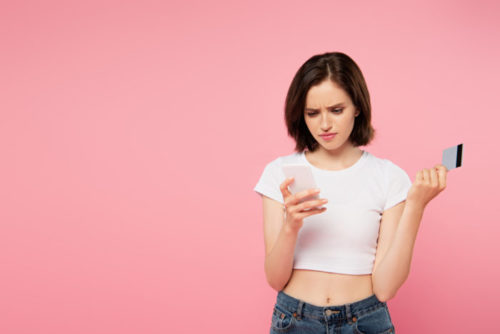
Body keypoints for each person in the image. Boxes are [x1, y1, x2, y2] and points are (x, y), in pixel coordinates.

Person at [253, 52, 448, 334]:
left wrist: (415, 206)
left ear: (357, 107)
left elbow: (385, 288)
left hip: (365, 321)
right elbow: (275, 279)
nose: (324, 125)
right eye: (312, 113)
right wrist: (291, 226)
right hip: (294, 321)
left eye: (336, 110)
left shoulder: (388, 176)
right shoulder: (280, 172)